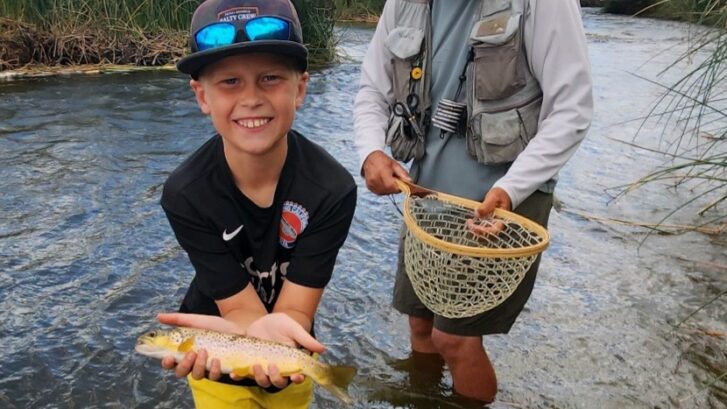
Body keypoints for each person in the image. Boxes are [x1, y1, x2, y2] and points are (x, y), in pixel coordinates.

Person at [353, 0, 593, 403]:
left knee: (454, 339)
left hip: (505, 203)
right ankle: (422, 397)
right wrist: (370, 153)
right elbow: (371, 90)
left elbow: (572, 109)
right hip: (427, 195)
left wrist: (511, 189)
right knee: (421, 325)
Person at [156, 0, 357, 407]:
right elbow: (237, 309)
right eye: (229, 81)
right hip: (216, 348)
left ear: (300, 88)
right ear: (202, 96)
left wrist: (277, 339)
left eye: (269, 78)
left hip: (291, 353)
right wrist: (249, 339)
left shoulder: (332, 189)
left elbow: (297, 312)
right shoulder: (185, 193)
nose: (251, 98)